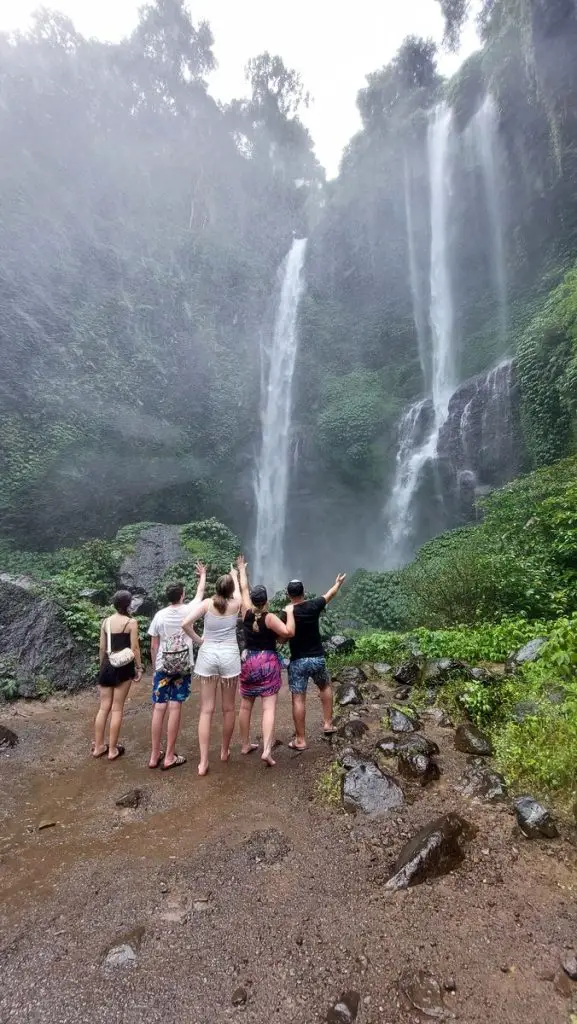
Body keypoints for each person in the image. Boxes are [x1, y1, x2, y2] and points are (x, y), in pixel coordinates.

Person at [182, 567, 242, 776]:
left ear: (215, 588)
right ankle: (224, 751)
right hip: (230, 658)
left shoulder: (207, 604)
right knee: (228, 709)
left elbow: (185, 624)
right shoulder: (237, 604)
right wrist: (236, 573)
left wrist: (199, 641)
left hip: (207, 657)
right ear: (231, 589)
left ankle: (203, 762)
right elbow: (240, 592)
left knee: (206, 711)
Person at [237, 555, 295, 767]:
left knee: (245, 706)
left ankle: (245, 745)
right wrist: (289, 612)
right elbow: (288, 632)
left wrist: (241, 569)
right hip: (268, 662)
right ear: (266, 600)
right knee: (268, 708)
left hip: (249, 661)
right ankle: (267, 751)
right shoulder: (269, 618)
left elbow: (243, 589)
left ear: (252, 601)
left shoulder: (245, 612)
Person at [148, 563, 206, 771]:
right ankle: (169, 755)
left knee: (159, 708)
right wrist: (203, 575)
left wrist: (156, 667)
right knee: (175, 707)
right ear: (182, 595)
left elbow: (154, 645)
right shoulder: (189, 609)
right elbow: (200, 593)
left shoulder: (159, 615)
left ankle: (155, 755)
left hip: (163, 666)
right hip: (182, 666)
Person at [284, 573, 346, 751]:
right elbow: (329, 595)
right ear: (304, 592)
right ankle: (328, 724)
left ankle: (301, 740)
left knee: (298, 698)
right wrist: (338, 583)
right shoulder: (314, 605)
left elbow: (282, 636)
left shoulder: (287, 611)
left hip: (297, 662)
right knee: (325, 686)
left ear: (289, 595)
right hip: (317, 658)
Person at [93, 590, 143, 761]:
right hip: (123, 667)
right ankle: (112, 749)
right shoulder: (131, 622)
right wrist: (139, 667)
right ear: (128, 604)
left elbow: (101, 647)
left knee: (103, 707)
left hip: (107, 665)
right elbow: (134, 648)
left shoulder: (106, 622)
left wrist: (103, 666)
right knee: (117, 708)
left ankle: (99, 747)